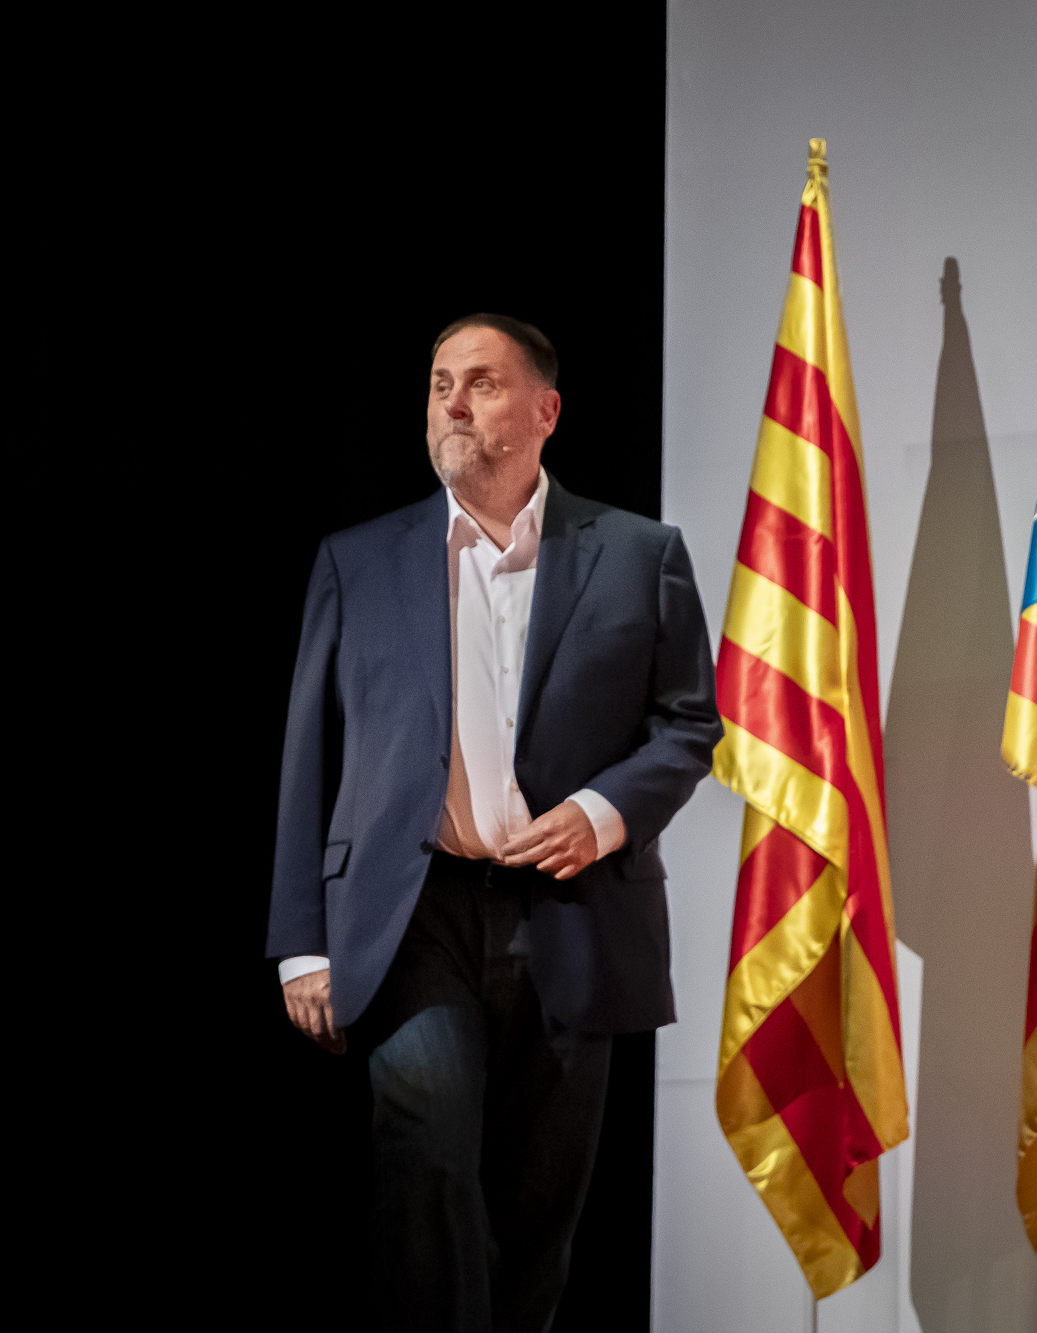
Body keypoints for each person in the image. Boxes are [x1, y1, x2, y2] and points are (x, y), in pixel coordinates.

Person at [267, 314, 723, 1331]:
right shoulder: (360, 559)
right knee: (424, 1159)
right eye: (437, 384)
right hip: (411, 907)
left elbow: (689, 725)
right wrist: (300, 939)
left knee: (535, 1205)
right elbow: (311, 754)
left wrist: (600, 813)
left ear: (543, 410)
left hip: (570, 913)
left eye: (478, 381)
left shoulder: (637, 553)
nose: (452, 403)